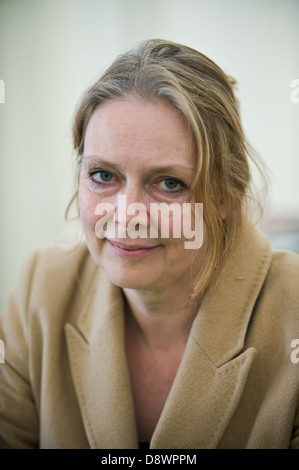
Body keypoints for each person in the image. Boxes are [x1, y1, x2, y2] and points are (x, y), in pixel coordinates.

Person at [0, 39, 299, 450]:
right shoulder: (42, 287)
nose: (127, 215)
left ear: (224, 195)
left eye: (169, 183)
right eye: (103, 176)